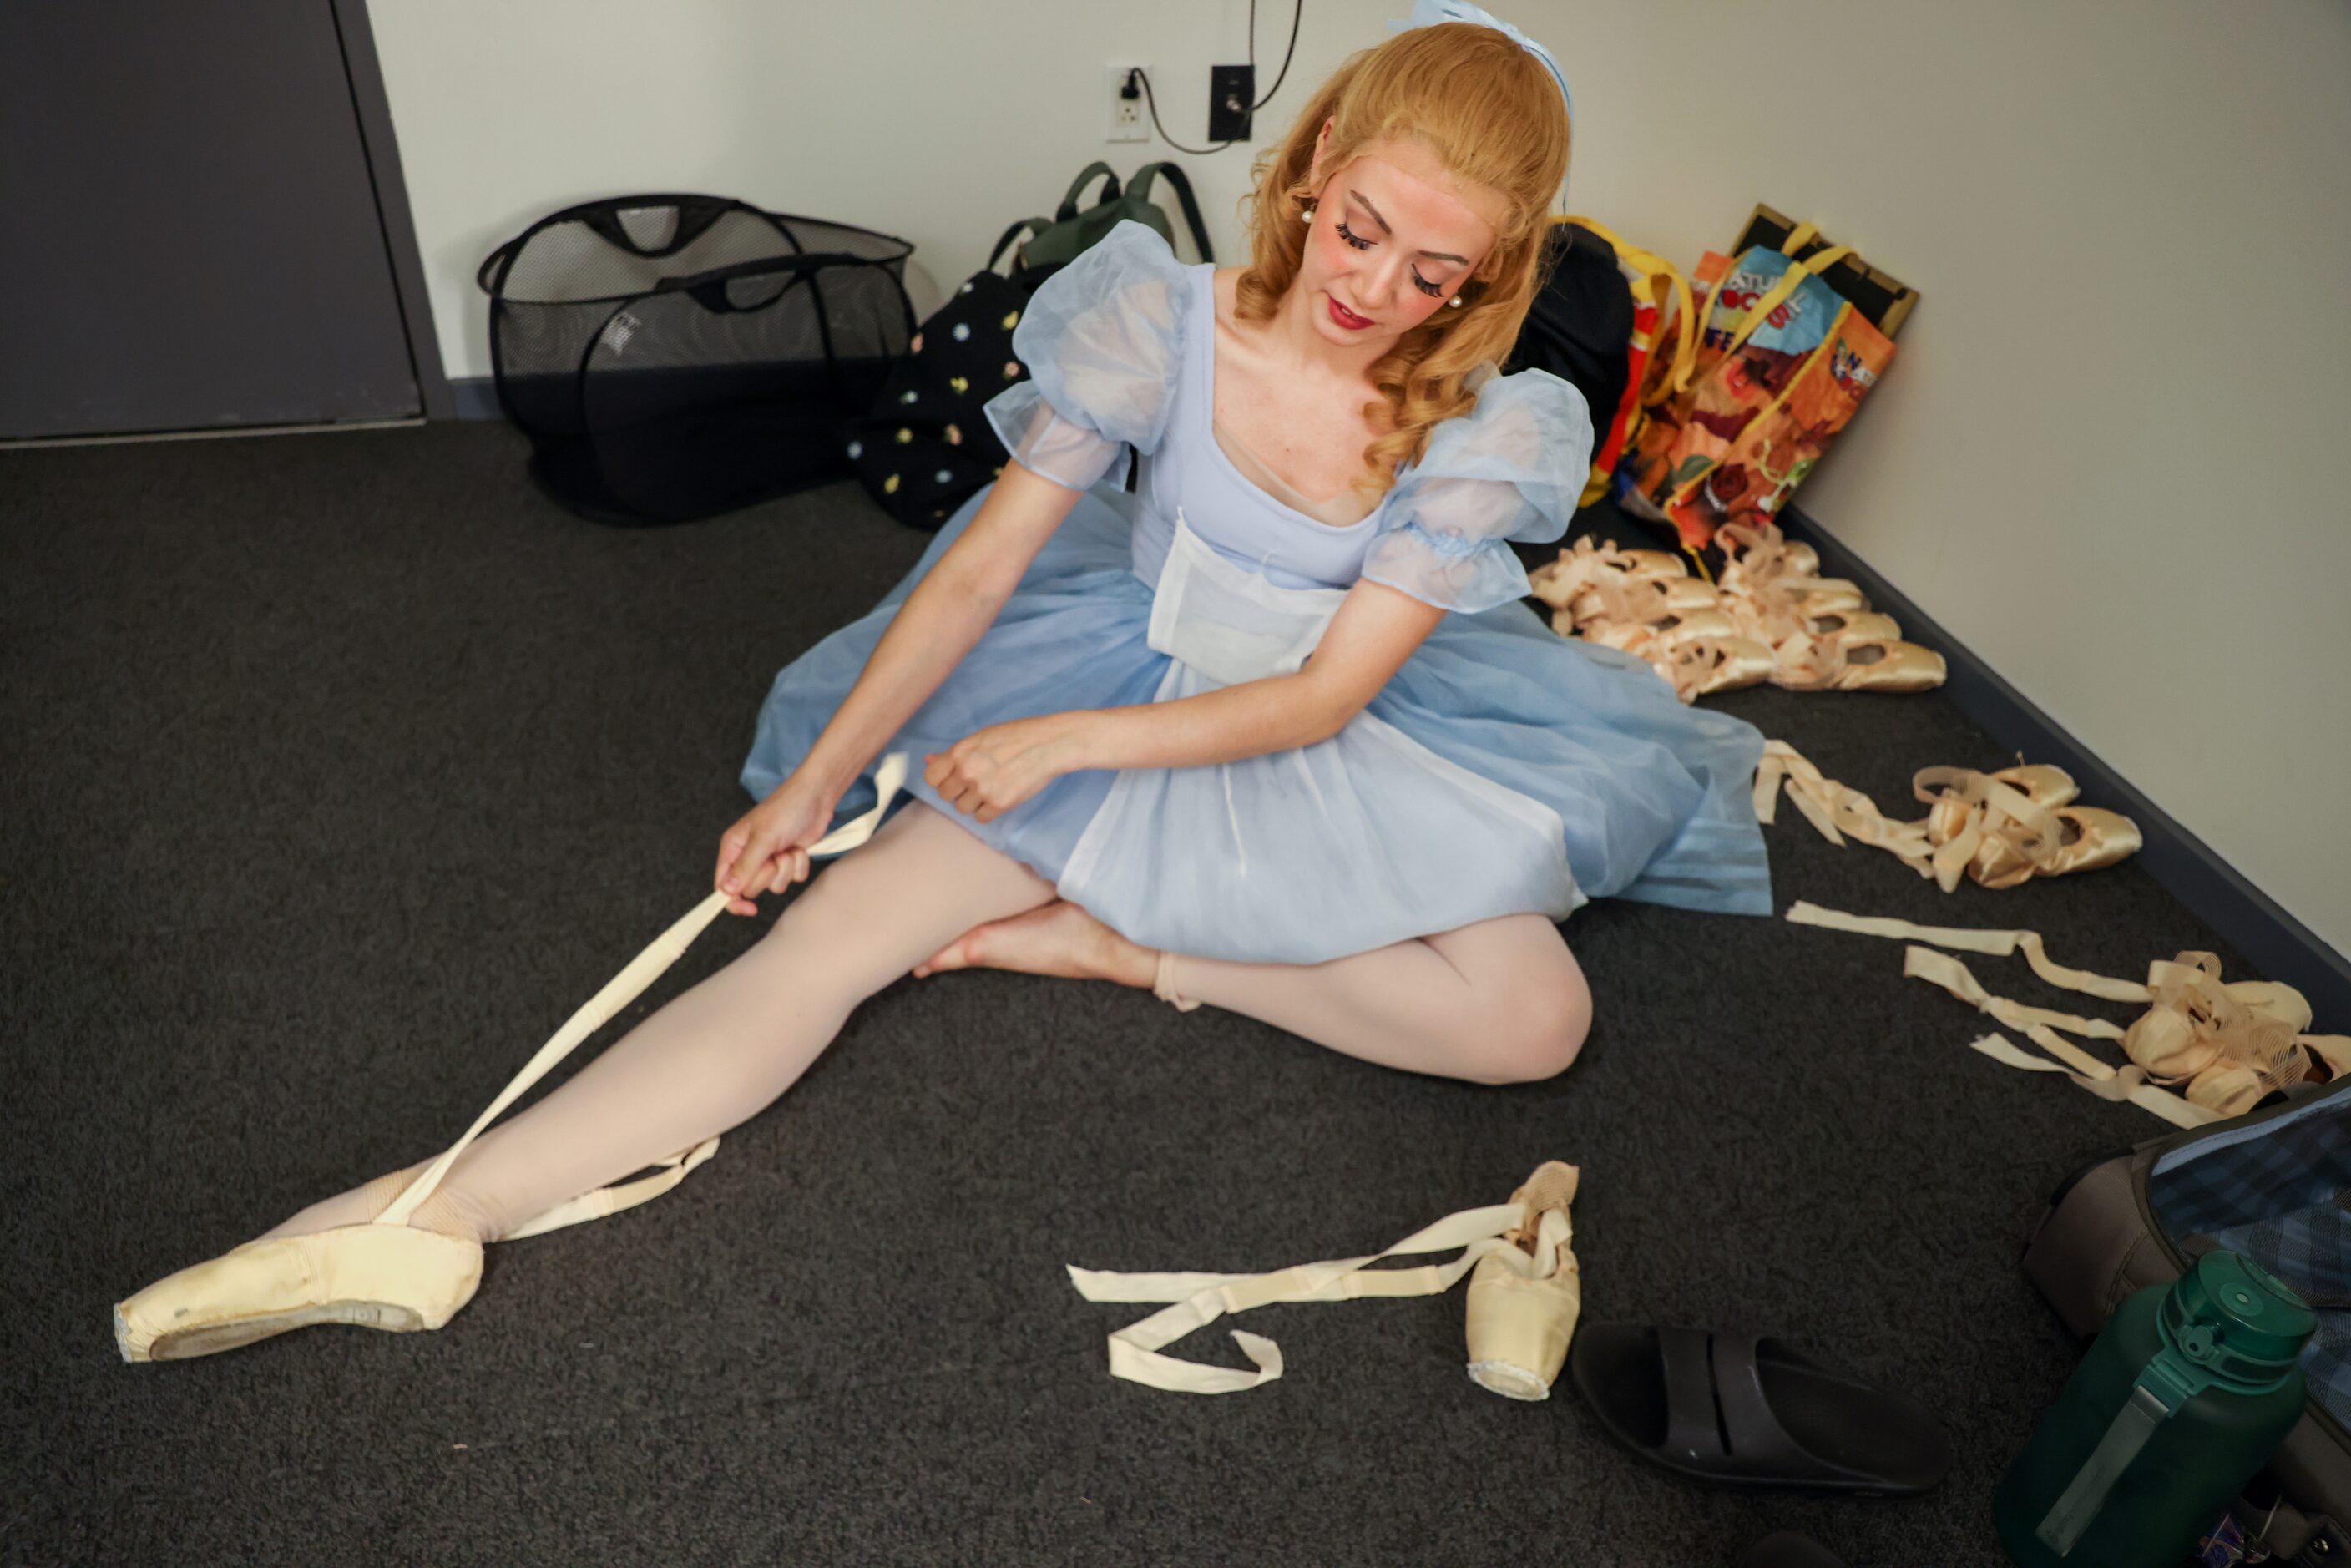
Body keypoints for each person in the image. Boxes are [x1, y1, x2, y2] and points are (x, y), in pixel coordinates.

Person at [113, 5, 1769, 1364]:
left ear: (1489, 279)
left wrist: (1076, 754)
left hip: (1310, 708)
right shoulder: (1157, 315)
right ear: (1319, 159)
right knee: (830, 940)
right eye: (1362, 232)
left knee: (1536, 1022)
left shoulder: (1483, 427)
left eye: (1437, 275)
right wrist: (818, 782)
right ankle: (427, 1213)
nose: (1377, 290)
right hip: (1109, 657)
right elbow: (977, 569)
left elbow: (1323, 699)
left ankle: (1127, 949)